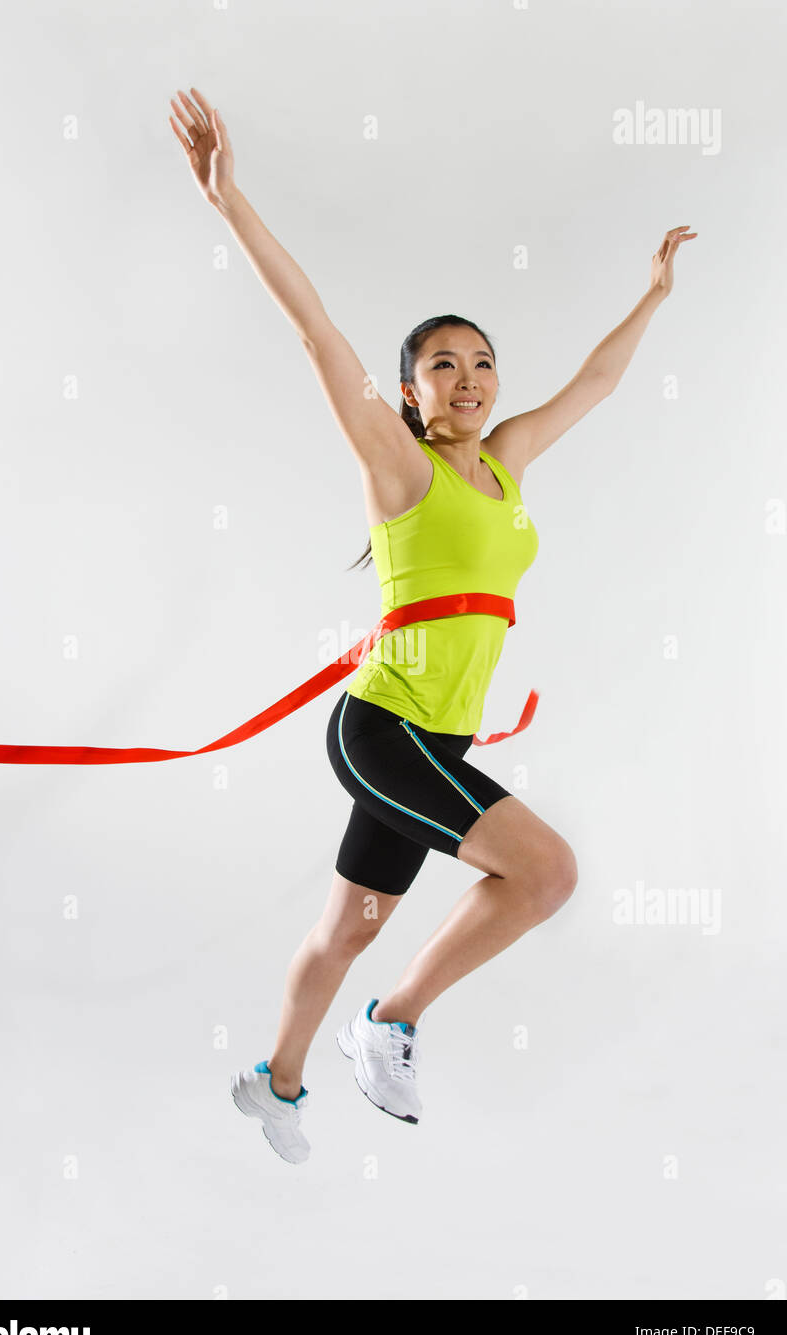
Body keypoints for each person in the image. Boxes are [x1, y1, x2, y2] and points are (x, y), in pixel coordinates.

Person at [169, 86, 696, 1164]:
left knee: (348, 924)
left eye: (480, 361)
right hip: (385, 729)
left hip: (436, 741)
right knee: (544, 873)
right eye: (441, 364)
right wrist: (229, 200)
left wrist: (649, 297)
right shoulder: (402, 470)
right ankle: (392, 1022)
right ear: (408, 394)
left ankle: (275, 1085)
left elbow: (594, 383)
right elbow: (316, 330)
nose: (466, 377)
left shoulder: (505, 464)